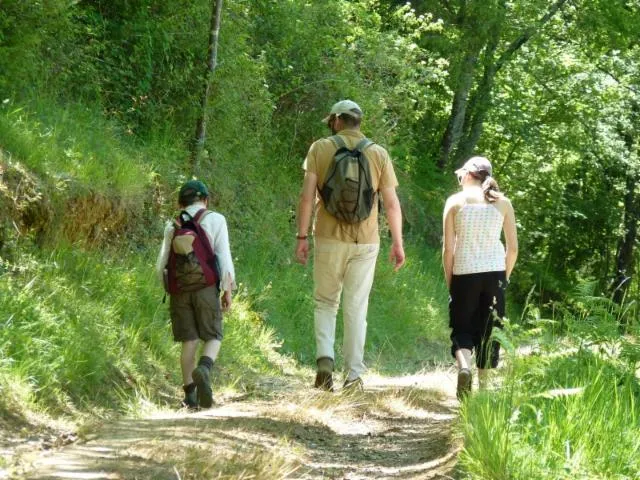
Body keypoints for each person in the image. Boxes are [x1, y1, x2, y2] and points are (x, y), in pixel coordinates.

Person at [295, 99, 405, 392]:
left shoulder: (320, 148)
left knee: (325, 302)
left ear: (336, 121)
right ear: (359, 122)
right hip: (365, 241)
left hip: (328, 237)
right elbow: (392, 204)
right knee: (356, 307)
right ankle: (354, 376)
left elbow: (307, 197)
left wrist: (302, 237)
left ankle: (324, 361)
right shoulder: (378, 153)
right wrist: (398, 243)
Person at [442, 156, 518, 399]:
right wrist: (503, 278)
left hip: (464, 272)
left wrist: (451, 281)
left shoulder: (455, 202)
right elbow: (513, 248)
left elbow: (448, 250)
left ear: (467, 175)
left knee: (462, 328)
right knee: (490, 330)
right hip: (494, 274)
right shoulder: (503, 203)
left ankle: (464, 367)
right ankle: (484, 393)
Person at [156, 180, 235, 409]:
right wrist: (227, 290)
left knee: (188, 341)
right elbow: (224, 257)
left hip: (179, 290)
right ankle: (205, 368)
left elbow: (161, 264)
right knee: (213, 335)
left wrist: (170, 289)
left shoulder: (173, 225)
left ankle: (190, 395)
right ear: (206, 200)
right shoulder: (216, 219)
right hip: (205, 289)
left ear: (180, 202)